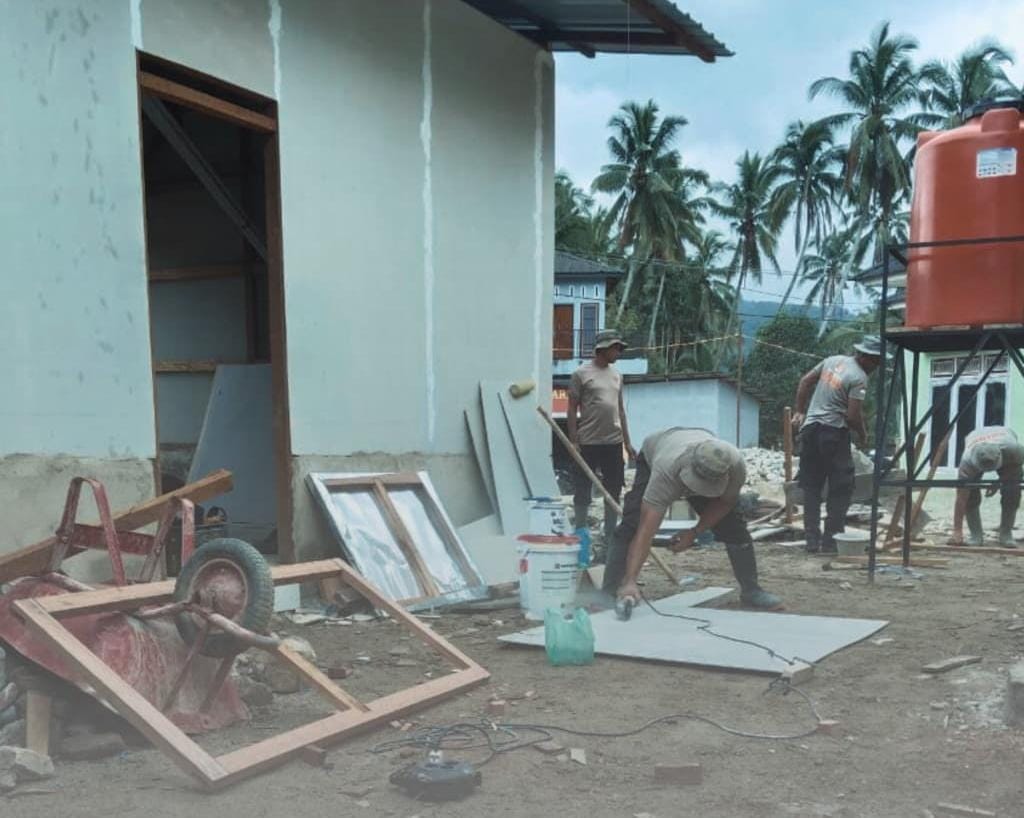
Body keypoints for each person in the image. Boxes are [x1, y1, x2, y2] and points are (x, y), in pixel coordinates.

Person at [602, 427, 781, 610]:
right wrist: (631, 579)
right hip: (656, 453)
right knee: (633, 523)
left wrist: (694, 532)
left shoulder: (734, 466)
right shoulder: (666, 472)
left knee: (733, 527)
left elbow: (725, 504)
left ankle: (751, 591)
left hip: (694, 445)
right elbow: (645, 531)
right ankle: (611, 592)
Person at [792, 336, 883, 554]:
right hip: (833, 433)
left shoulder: (832, 361)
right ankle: (831, 541)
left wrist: (800, 411)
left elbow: (805, 381)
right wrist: (863, 433)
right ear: (865, 357)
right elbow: (852, 416)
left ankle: (811, 542)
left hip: (810, 431)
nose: (877, 366)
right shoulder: (859, 377)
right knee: (841, 487)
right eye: (876, 361)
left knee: (812, 487)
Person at [567, 328, 636, 545]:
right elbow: (571, 408)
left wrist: (627, 442)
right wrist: (573, 440)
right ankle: (580, 532)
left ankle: (610, 535)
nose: (618, 352)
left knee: (613, 488)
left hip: (613, 442)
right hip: (588, 442)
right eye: (616, 348)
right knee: (582, 488)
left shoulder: (617, 376)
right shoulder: (581, 374)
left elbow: (620, 410)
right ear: (603, 349)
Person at [952, 426, 1024, 547]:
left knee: (1012, 491)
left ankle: (1006, 534)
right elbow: (961, 498)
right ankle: (976, 535)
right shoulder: (967, 462)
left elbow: (1017, 470)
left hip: (1005, 441)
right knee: (970, 495)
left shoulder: (1014, 450)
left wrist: (999, 482)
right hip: (974, 436)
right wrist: (957, 530)